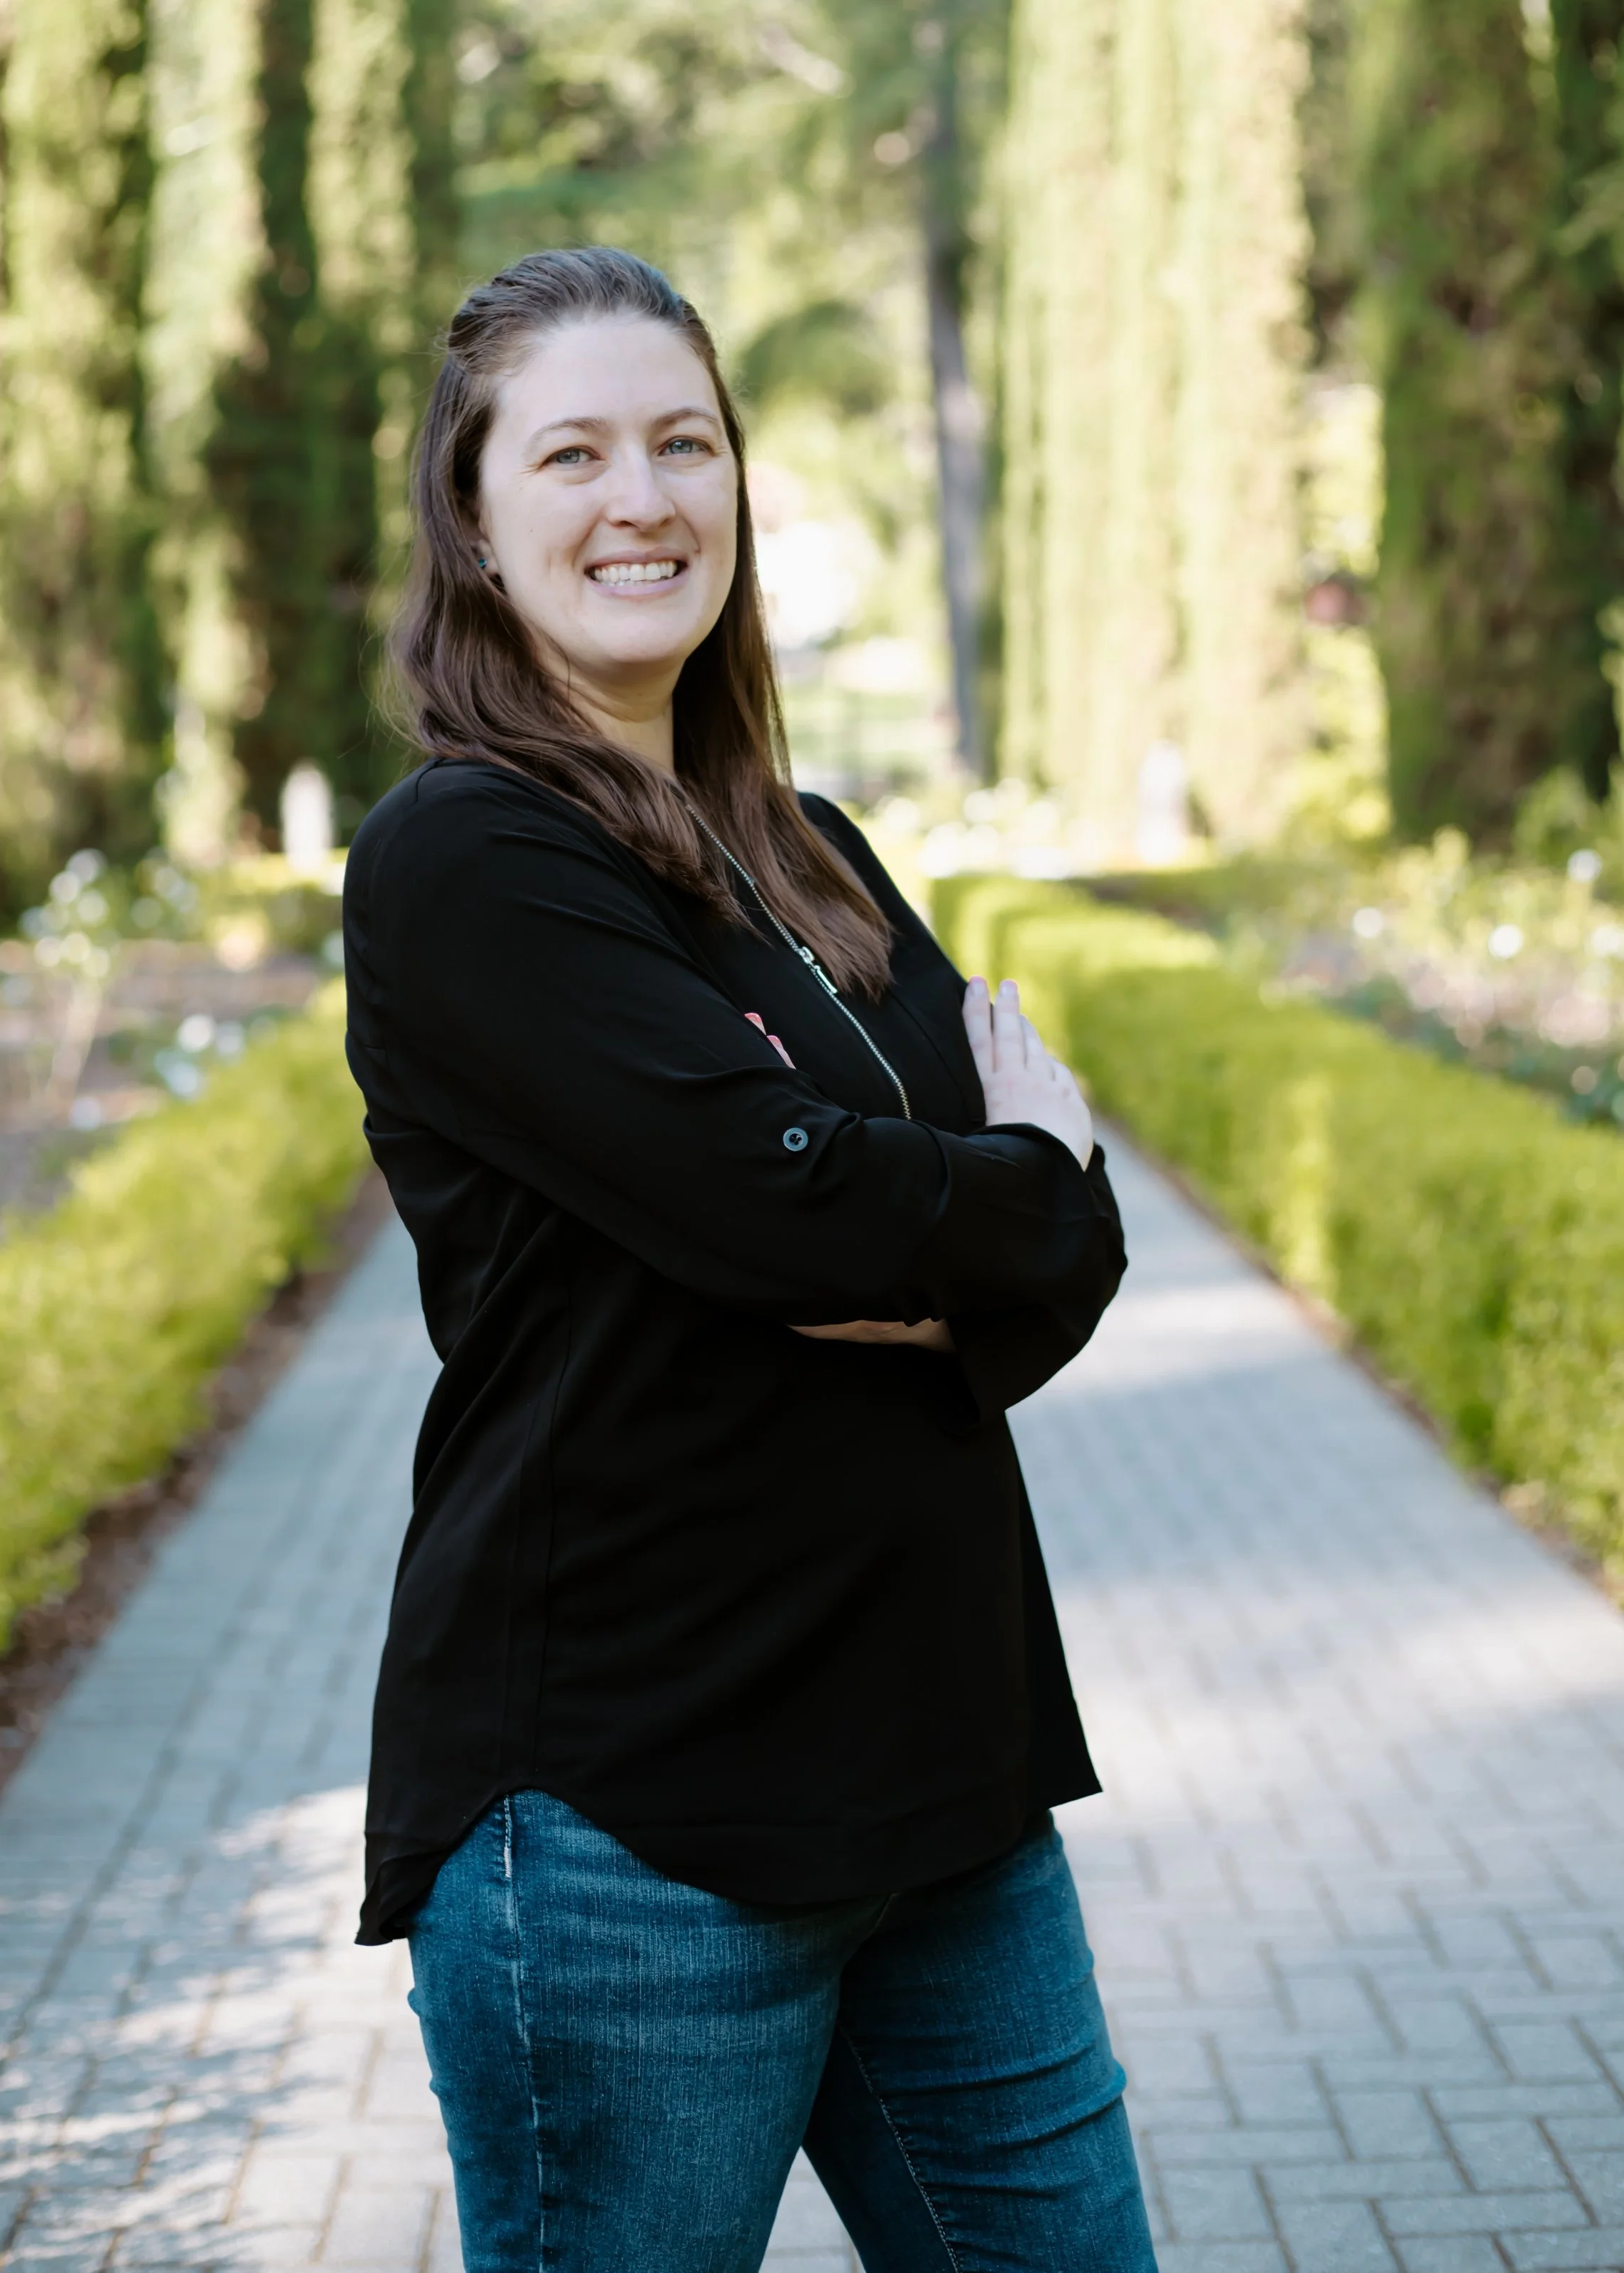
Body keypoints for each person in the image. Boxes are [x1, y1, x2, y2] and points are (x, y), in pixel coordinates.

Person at [342, 246, 1156, 2273]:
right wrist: (975, 1196)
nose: (643, 497)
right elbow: (788, 1198)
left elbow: (1053, 1240)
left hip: (945, 1785)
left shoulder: (811, 846)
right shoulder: (467, 861)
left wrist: (989, 1211)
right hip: (632, 1824)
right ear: (474, 510)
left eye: (683, 441)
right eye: (576, 450)